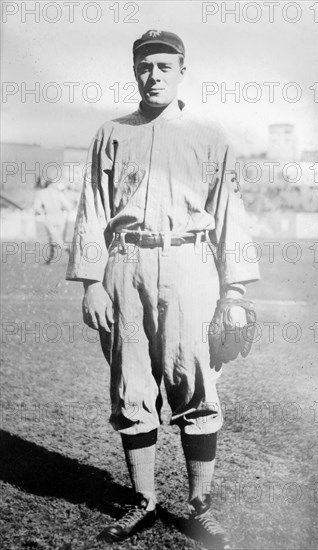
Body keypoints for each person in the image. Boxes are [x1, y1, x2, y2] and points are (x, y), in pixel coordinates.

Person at [66, 30, 260, 548]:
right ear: (134, 71)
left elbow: (229, 216)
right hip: (125, 262)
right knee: (131, 384)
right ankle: (143, 502)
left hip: (191, 263)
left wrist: (235, 292)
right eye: (145, 66)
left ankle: (200, 507)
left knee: (195, 380)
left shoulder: (209, 135)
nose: (154, 75)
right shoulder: (112, 133)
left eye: (164, 66)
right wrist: (90, 283)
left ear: (181, 72)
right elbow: (93, 210)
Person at [34, 176, 72, 263]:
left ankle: (71, 255)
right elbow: (68, 205)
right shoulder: (57, 192)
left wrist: (42, 212)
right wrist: (65, 213)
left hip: (49, 217)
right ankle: (51, 258)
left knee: (55, 238)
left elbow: (37, 207)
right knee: (55, 238)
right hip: (60, 217)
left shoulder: (41, 193)